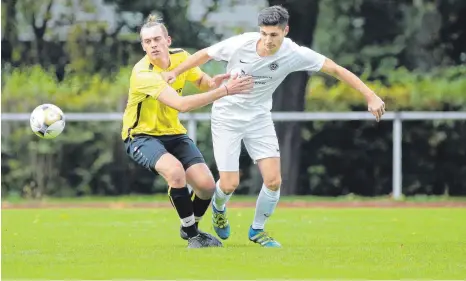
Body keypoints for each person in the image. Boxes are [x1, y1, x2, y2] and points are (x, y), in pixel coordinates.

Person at [162, 5, 386, 248]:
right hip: (227, 116)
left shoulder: (295, 53)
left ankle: (257, 230)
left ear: (285, 31)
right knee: (229, 184)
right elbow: (204, 54)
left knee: (273, 181)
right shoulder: (242, 43)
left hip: (259, 117)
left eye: (274, 35)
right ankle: (218, 207)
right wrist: (175, 72)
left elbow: (335, 69)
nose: (267, 41)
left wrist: (370, 95)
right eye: (264, 34)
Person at [121, 14, 253, 248]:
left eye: (157, 39)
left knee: (207, 186)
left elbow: (200, 80)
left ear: (167, 40)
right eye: (147, 41)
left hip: (173, 132)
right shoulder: (143, 74)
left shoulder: (181, 58)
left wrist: (214, 82)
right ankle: (194, 236)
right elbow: (182, 105)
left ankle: (188, 227)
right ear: (143, 46)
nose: (152, 44)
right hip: (141, 136)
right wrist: (225, 91)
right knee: (175, 173)